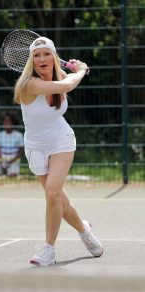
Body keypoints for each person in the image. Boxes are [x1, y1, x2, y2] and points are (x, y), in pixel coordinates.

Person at [14, 36, 103, 266]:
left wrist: (75, 71)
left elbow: (67, 81)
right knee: (60, 202)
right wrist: (81, 70)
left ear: (54, 57)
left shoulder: (60, 75)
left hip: (61, 139)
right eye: (36, 55)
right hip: (35, 146)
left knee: (52, 194)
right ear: (31, 61)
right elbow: (67, 85)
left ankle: (48, 250)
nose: (42, 59)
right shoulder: (29, 84)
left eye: (46, 54)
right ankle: (85, 230)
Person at [0, 112, 24, 177]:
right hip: (2, 159)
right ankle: (2, 174)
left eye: (8, 121)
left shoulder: (19, 135)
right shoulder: (0, 135)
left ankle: (5, 175)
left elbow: (20, 152)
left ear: (13, 123)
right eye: (4, 121)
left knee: (12, 175)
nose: (6, 123)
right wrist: (0, 160)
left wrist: (11, 161)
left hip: (14, 160)